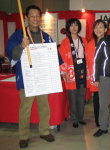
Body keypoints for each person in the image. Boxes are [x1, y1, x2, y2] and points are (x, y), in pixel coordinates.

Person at [5, 5, 55, 148]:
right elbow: (12, 55)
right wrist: (21, 46)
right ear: (26, 18)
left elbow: (53, 56)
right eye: (32, 16)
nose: (35, 19)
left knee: (44, 106)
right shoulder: (18, 35)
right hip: (27, 78)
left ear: (40, 18)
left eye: (37, 16)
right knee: (25, 108)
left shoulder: (46, 36)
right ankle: (23, 136)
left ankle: (44, 131)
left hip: (42, 78)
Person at [59, 18, 88, 128]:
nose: (74, 27)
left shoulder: (84, 40)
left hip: (83, 71)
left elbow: (89, 56)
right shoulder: (65, 42)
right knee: (72, 96)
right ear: (68, 28)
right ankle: (74, 119)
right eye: (71, 25)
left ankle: (81, 118)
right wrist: (64, 72)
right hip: (71, 72)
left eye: (76, 25)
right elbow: (61, 59)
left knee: (81, 95)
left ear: (79, 27)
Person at [87, 19, 107, 127]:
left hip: (106, 76)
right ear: (93, 29)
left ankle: (105, 120)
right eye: (96, 27)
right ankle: (98, 121)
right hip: (94, 77)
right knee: (96, 99)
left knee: (106, 100)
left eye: (101, 27)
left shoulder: (108, 43)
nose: (98, 30)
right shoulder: (90, 44)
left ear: (105, 30)